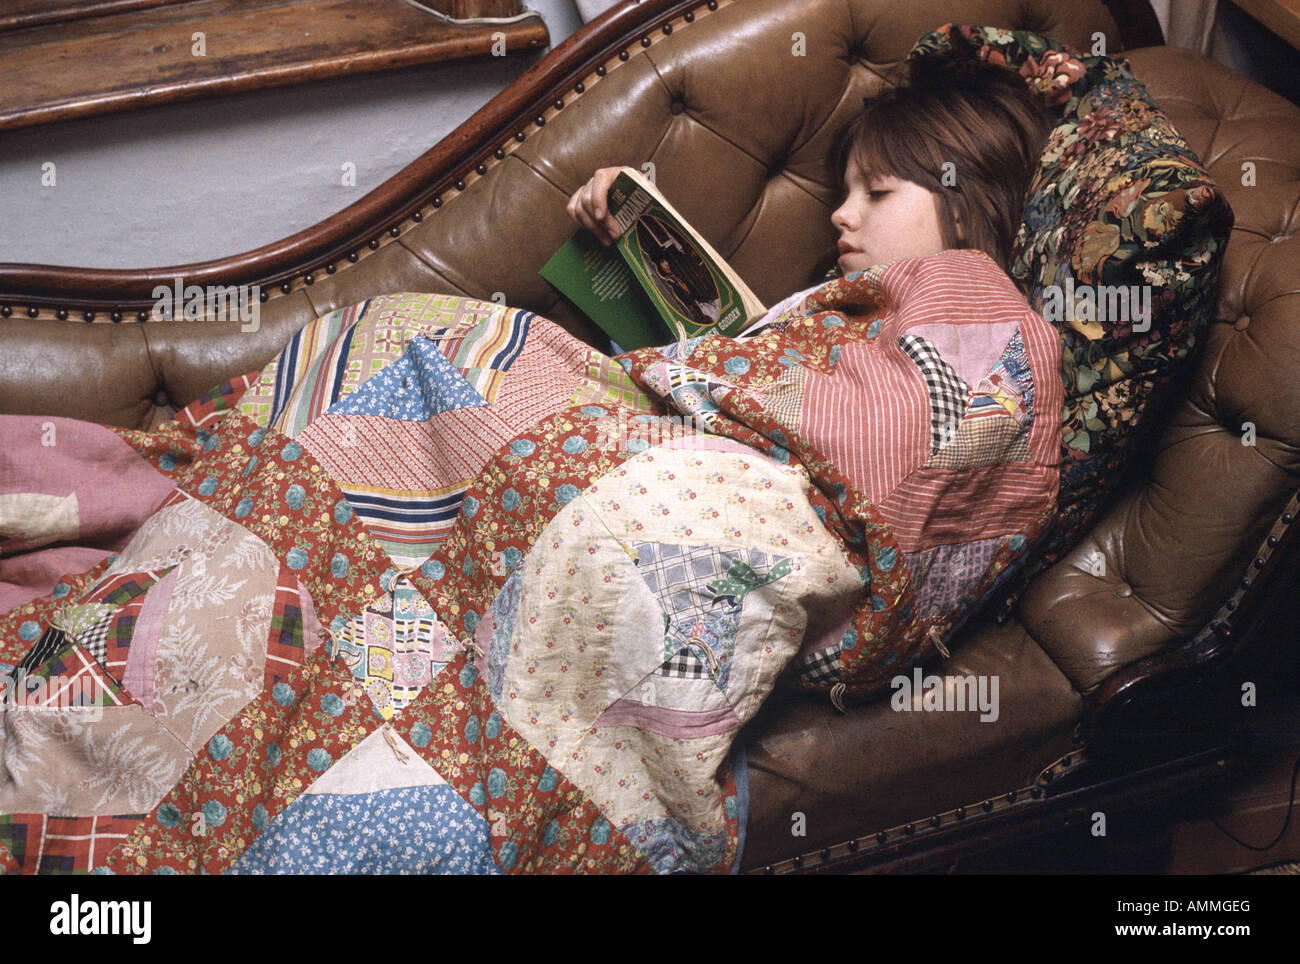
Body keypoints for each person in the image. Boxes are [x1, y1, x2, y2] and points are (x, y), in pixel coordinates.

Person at [565, 55, 1054, 333]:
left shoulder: (983, 329)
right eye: (846, 193)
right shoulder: (834, 300)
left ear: (962, 202)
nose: (841, 215)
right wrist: (622, 228)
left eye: (878, 193)